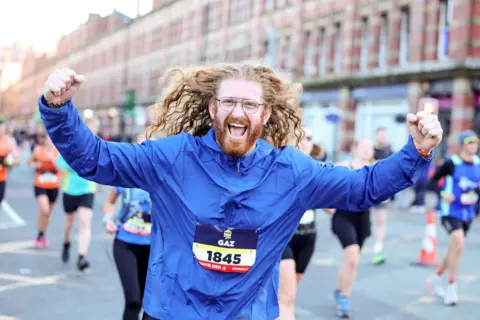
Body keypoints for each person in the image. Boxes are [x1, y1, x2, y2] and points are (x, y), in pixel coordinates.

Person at [39, 66, 442, 320]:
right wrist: (58, 109)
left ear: (265, 115)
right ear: (213, 109)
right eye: (229, 102)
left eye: (250, 105)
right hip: (172, 313)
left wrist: (417, 151)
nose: (238, 112)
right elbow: (96, 160)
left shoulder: (291, 171)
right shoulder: (173, 157)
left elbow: (363, 188)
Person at [426, 130, 480, 306]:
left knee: (455, 249)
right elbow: (432, 181)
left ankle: (435, 277)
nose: (474, 145)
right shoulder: (451, 163)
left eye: (476, 142)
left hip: (468, 213)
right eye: (471, 142)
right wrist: (443, 193)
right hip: (450, 211)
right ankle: (451, 286)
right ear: (463, 144)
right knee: (458, 242)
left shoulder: (479, 164)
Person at [324, 138, 375, 318]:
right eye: (364, 146)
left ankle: (340, 291)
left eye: (370, 148)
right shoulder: (343, 166)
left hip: (363, 218)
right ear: (355, 148)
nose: (367, 150)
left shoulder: (373, 170)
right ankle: (345, 297)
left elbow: (383, 195)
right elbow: (327, 188)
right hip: (343, 216)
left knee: (353, 261)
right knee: (352, 255)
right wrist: (328, 204)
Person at [278, 128, 317, 320]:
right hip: (284, 237)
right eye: (300, 137)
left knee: (291, 288)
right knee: (287, 299)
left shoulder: (318, 169)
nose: (305, 141)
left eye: (309, 138)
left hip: (308, 235)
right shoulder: (281, 166)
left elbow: (332, 208)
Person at [57, 117, 100, 271]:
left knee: (84, 220)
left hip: (87, 189)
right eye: (90, 129)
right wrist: (76, 165)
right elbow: (60, 165)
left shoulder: (97, 147)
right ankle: (66, 242)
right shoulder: (71, 145)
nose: (92, 132)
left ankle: (82, 256)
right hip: (70, 189)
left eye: (95, 129)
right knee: (69, 222)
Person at [103, 185, 152, 320]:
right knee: (133, 301)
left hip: (153, 249)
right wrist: (107, 220)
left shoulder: (159, 176)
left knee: (146, 304)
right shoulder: (126, 174)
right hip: (125, 245)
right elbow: (109, 202)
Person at [28, 132, 61, 248]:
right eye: (49, 139)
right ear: (45, 140)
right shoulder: (38, 150)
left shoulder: (58, 152)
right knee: (45, 209)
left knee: (47, 214)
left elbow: (62, 169)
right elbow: (30, 162)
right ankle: (40, 235)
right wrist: (35, 164)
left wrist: (53, 160)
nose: (51, 142)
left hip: (53, 186)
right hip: (40, 185)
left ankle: (41, 235)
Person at [371, 127, 394, 265]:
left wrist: (389, 191)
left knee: (380, 222)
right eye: (381, 135)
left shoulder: (390, 153)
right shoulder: (370, 150)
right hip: (365, 189)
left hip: (382, 192)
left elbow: (393, 174)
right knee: (363, 221)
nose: (383, 137)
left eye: (385, 135)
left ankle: (377, 250)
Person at [0, 117, 20, 209]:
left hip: (1, 179)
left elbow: (16, 160)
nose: (1, 130)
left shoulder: (10, 141)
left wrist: (6, 162)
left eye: (3, 127)